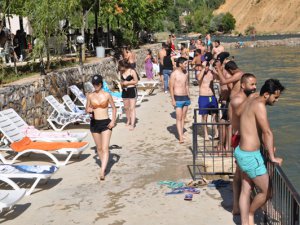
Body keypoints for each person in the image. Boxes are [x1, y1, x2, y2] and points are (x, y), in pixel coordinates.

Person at [235, 79, 285, 225]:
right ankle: (251, 213)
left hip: (241, 152)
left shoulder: (252, 98)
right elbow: (267, 132)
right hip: (251, 156)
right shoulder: (260, 105)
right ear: (266, 94)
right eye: (275, 97)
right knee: (267, 191)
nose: (276, 100)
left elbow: (239, 112)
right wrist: (272, 156)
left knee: (246, 189)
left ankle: (245, 222)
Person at [229, 73, 257, 215]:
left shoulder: (243, 98)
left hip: (241, 138)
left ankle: (238, 204)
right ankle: (239, 205)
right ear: (243, 85)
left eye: (255, 84)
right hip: (241, 139)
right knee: (242, 174)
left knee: (240, 173)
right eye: (252, 84)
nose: (255, 87)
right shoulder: (239, 100)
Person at [86, 74, 117, 181]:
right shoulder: (90, 96)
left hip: (106, 123)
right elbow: (87, 108)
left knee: (105, 148)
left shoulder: (107, 95)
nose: (96, 86)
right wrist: (89, 110)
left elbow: (114, 108)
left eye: (97, 84)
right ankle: (104, 162)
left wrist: (113, 121)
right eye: (94, 84)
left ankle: (102, 171)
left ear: (101, 84)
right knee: (99, 148)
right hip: (94, 123)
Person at [197, 52, 219, 140]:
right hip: (203, 96)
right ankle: (206, 135)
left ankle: (216, 133)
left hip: (212, 96)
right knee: (204, 117)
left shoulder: (211, 72)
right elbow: (198, 79)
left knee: (214, 115)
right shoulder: (199, 72)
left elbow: (219, 78)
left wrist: (212, 68)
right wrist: (203, 69)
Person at [169, 57, 190, 143]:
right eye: (185, 63)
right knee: (179, 117)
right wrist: (173, 99)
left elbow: (187, 85)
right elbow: (171, 87)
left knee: (183, 118)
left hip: (185, 97)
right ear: (180, 64)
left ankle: (181, 133)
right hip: (177, 97)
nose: (186, 65)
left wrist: (189, 95)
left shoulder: (186, 73)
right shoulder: (174, 74)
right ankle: (180, 137)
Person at [118, 60, 139, 130]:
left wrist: (128, 83)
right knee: (126, 108)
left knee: (132, 108)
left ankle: (132, 124)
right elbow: (121, 81)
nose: (119, 68)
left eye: (120, 66)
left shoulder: (132, 71)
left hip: (132, 90)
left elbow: (136, 81)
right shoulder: (121, 72)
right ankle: (128, 120)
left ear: (124, 66)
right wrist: (121, 84)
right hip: (124, 90)